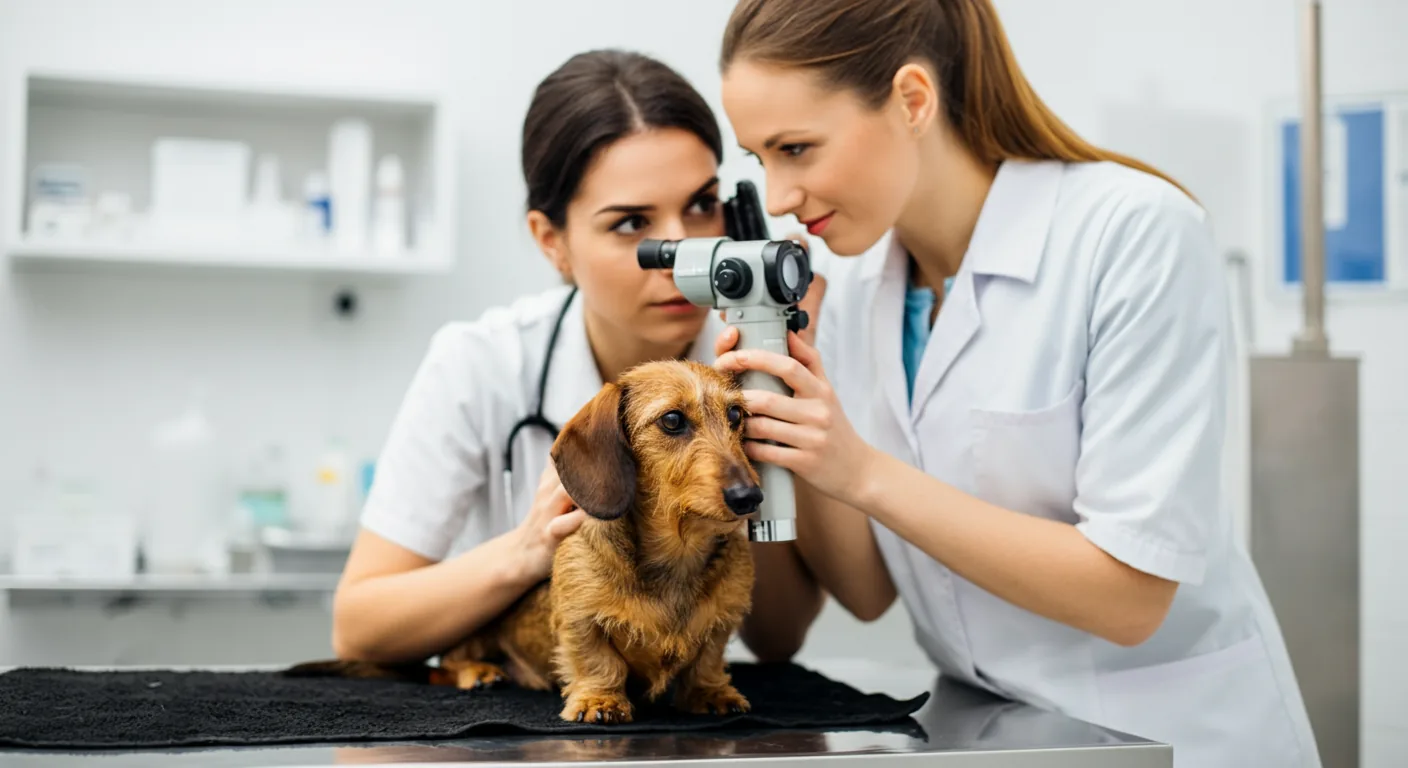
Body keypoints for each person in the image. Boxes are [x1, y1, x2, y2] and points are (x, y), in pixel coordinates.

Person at [710, 1, 1320, 766]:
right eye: (760, 159)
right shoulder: (854, 285)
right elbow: (867, 594)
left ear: (912, 100)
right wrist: (798, 428)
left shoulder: (1133, 232)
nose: (778, 197)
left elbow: (1130, 598)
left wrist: (860, 471)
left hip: (1174, 731)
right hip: (993, 732)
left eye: (797, 149)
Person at [330, 49, 824, 667]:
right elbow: (359, 629)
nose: (682, 254)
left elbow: (779, 638)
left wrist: (769, 401)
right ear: (552, 242)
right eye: (631, 223)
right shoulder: (480, 363)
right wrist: (526, 550)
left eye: (702, 206)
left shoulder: (751, 367)